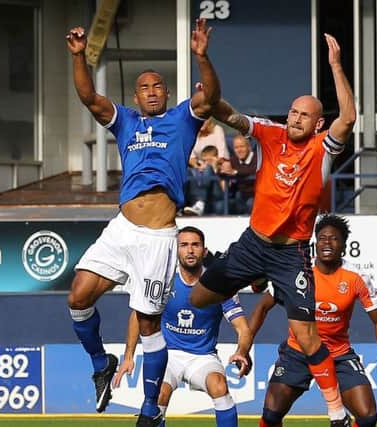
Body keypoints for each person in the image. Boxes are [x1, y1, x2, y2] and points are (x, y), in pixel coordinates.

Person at [189, 33, 357, 427]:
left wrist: (334, 65)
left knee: (307, 335)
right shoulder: (269, 134)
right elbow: (226, 113)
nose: (296, 118)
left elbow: (347, 118)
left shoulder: (323, 149)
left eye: (305, 115)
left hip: (289, 252)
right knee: (198, 298)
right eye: (294, 112)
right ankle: (253, 277)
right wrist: (205, 68)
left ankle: (336, 413)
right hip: (252, 245)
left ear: (318, 123)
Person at [65, 18, 221, 427]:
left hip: (156, 236)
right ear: (136, 96)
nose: (151, 91)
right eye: (144, 87)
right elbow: (88, 97)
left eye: (158, 87)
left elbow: (211, 99)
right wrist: (80, 57)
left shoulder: (183, 118)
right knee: (78, 297)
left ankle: (151, 409)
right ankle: (101, 363)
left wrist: (202, 57)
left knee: (150, 324)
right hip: (122, 228)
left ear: (167, 94)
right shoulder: (126, 121)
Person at [249, 214, 377, 427]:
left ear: (344, 247)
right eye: (323, 238)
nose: (327, 242)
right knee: (271, 415)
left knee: (367, 417)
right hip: (298, 352)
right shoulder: (298, 274)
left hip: (338, 354)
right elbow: (262, 307)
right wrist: (244, 347)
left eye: (334, 238)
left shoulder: (356, 278)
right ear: (315, 244)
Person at [113, 226, 253, 427]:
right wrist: (128, 357)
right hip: (167, 355)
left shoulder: (219, 285)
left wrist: (241, 351)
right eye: (184, 245)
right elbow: (138, 315)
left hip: (202, 357)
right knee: (159, 393)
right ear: (176, 249)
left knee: (219, 386)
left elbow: (243, 328)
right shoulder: (163, 280)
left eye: (195, 245)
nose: (190, 250)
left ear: (204, 251)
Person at [183, 145, 226, 216]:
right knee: (189, 171)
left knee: (209, 169)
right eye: (204, 161)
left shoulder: (222, 169)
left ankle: (200, 203)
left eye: (209, 160)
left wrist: (215, 170)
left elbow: (225, 190)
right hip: (201, 198)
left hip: (215, 197)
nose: (206, 163)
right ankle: (197, 203)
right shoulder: (202, 171)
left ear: (217, 158)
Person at [223, 133, 257, 214]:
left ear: (248, 147)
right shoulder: (233, 160)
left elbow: (254, 171)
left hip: (256, 195)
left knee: (250, 203)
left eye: (242, 146)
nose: (239, 150)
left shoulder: (257, 158)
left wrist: (235, 172)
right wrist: (222, 169)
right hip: (240, 195)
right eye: (236, 147)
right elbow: (225, 173)